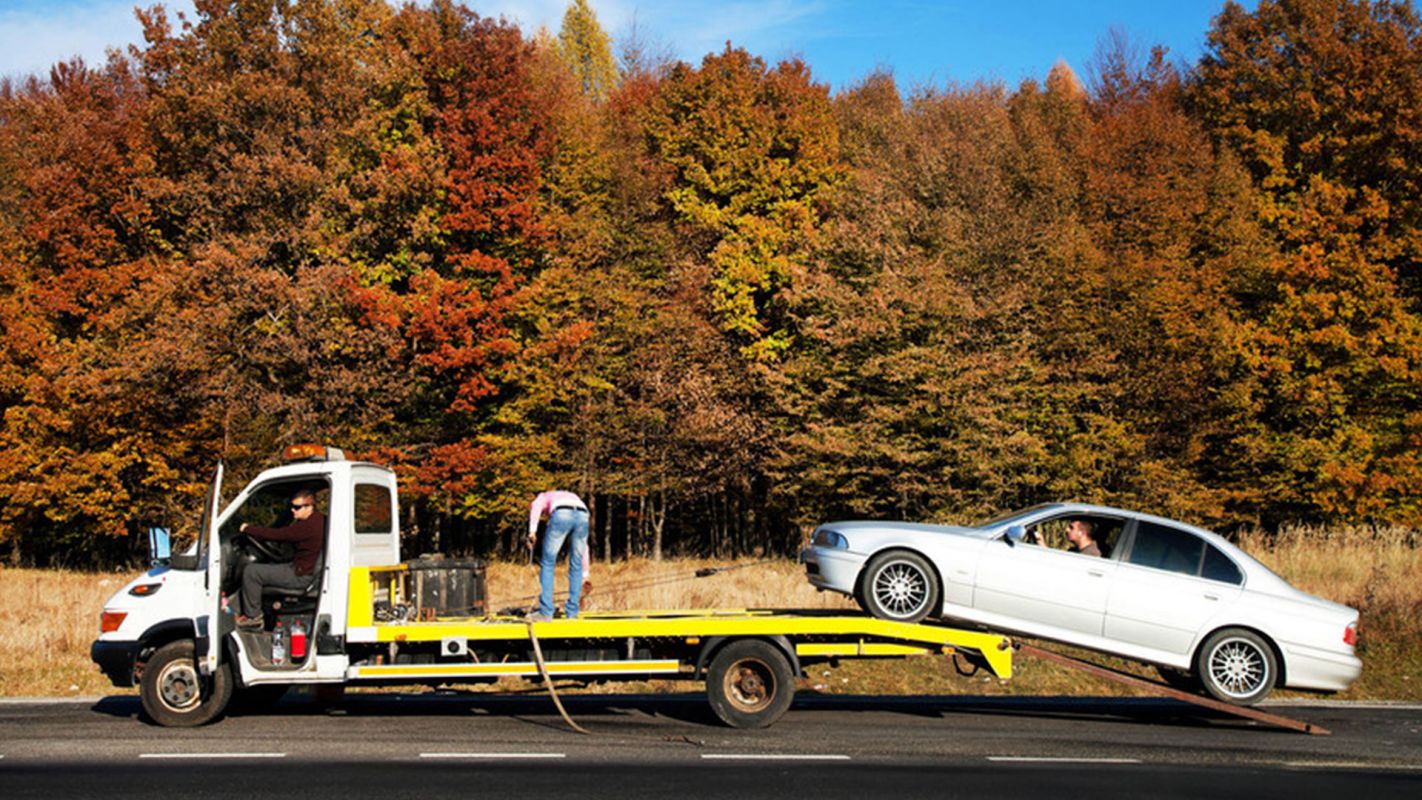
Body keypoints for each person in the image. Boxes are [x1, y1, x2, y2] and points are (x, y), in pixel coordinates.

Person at [235, 489, 326, 631]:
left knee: (252, 572)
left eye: (297, 507)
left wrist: (248, 529)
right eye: (291, 507)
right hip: (303, 569)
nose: (292, 511)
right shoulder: (319, 520)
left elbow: (277, 534)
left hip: (300, 575)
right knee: (267, 568)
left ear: (309, 507)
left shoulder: (308, 527)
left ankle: (253, 618)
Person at [527, 490, 590, 621]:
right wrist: (585, 574)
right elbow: (585, 548)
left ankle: (545, 612)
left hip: (562, 514)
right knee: (576, 564)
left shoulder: (543, 496)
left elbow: (536, 506)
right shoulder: (573, 496)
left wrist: (532, 531)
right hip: (584, 515)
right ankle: (572, 613)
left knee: (548, 563)